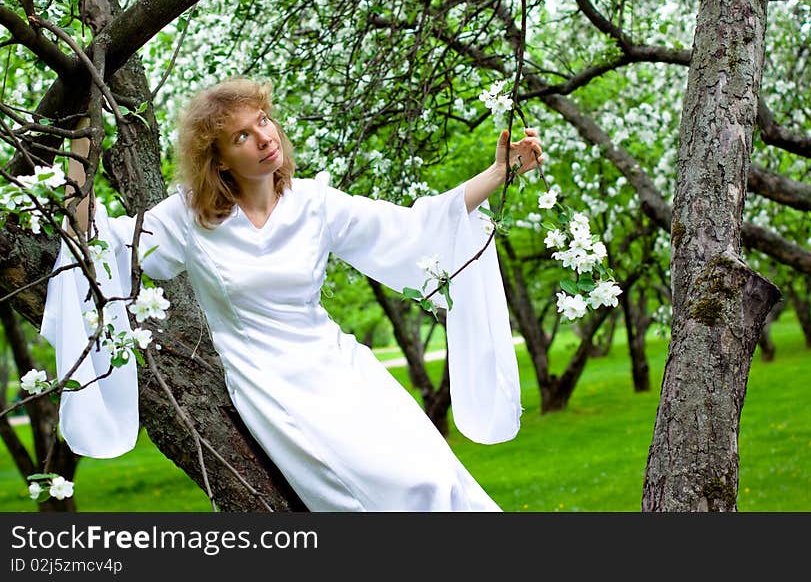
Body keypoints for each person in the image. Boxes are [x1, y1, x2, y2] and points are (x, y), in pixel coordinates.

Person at [41, 77, 543, 511]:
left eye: (264, 120)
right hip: (274, 389)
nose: (264, 137)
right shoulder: (188, 218)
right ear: (218, 160)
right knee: (397, 491)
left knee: (438, 476)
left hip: (342, 369)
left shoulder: (315, 204)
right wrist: (82, 144)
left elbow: (415, 230)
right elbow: (96, 244)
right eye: (242, 135)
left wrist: (499, 173)